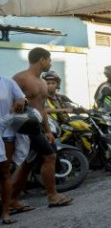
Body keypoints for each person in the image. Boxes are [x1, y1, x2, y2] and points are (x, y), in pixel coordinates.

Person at [10, 47, 73, 207]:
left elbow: (42, 108)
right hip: (23, 126)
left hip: (37, 127)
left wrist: (47, 130)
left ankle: (12, 200)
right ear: (42, 59)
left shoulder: (43, 83)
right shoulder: (20, 78)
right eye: (49, 60)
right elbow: (6, 103)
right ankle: (52, 196)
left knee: (28, 164)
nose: (50, 63)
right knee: (49, 156)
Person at [1, 76, 27, 224]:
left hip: (6, 133)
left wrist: (20, 102)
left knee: (4, 172)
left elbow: (22, 100)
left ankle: (5, 212)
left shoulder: (7, 82)